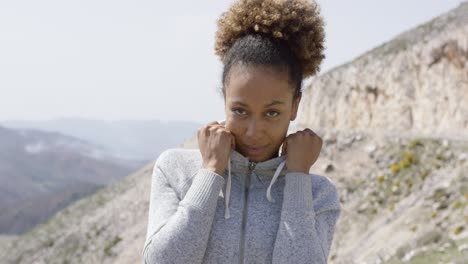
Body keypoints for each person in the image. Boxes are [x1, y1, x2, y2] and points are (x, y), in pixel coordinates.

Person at [142, 0, 341, 263]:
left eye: (272, 113)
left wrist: (297, 178)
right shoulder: (175, 168)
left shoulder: (317, 193)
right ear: (225, 99)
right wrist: (211, 171)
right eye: (239, 111)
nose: (253, 131)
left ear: (295, 106)